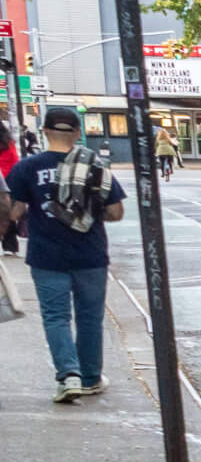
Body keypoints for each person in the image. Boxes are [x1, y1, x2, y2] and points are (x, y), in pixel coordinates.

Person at [6, 106, 128, 402]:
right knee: (89, 318)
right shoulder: (95, 166)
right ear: (77, 133)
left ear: (45, 131)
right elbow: (116, 212)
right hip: (90, 255)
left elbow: (16, 210)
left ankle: (68, 375)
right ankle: (90, 378)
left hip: (46, 255)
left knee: (56, 317)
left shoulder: (27, 168)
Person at [0, 123, 19, 255]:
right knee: (7, 212)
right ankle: (10, 245)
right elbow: (15, 161)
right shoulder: (9, 143)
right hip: (8, 180)